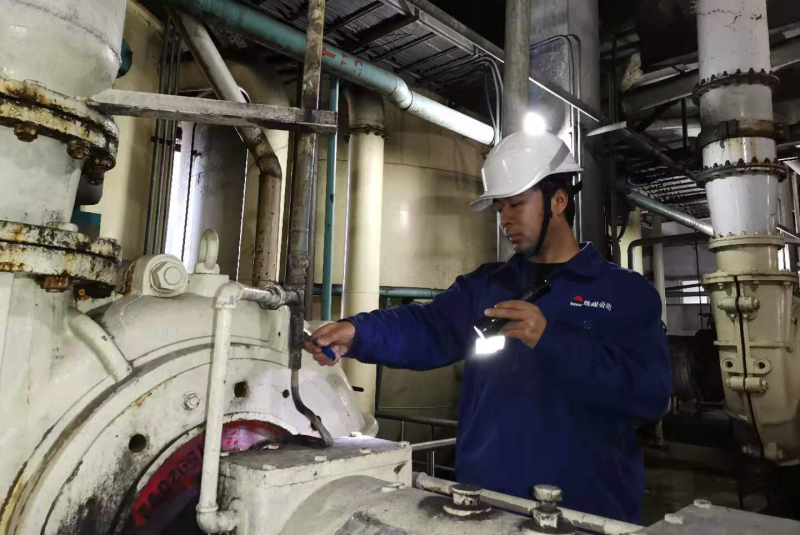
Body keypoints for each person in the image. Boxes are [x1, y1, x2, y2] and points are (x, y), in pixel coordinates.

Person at [304, 128, 672, 523]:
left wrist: (551, 340)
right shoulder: (487, 286)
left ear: (559, 200)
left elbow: (650, 395)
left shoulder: (624, 293)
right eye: (499, 209)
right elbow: (428, 327)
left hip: (585, 514)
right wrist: (358, 332)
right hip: (487, 506)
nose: (505, 219)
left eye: (516, 204)